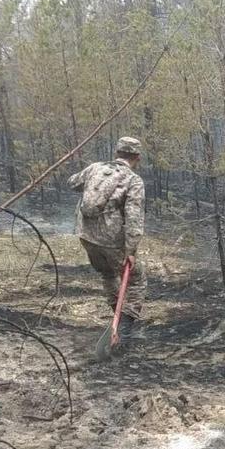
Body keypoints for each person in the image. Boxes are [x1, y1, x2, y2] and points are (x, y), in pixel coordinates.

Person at [68, 137, 147, 341]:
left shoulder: (95, 168)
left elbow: (73, 183)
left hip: (86, 235)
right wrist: (131, 251)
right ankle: (125, 329)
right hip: (112, 241)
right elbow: (134, 217)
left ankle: (117, 319)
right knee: (137, 280)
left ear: (116, 153)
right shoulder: (133, 180)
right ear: (137, 157)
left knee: (108, 275)